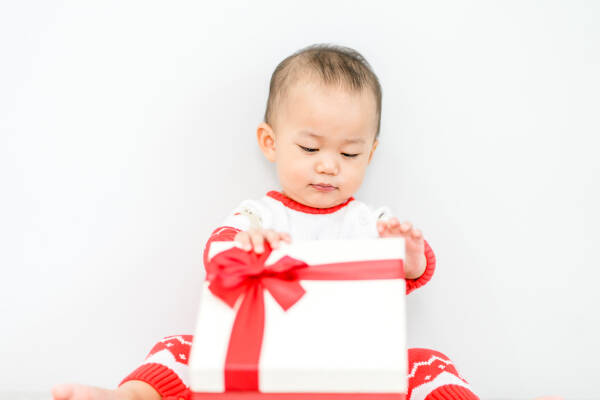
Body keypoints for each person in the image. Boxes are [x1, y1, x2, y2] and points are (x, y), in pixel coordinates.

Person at [52, 44, 561, 400]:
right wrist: (249, 247)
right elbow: (217, 255)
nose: (328, 164)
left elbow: (411, 272)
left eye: (350, 151)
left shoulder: (368, 221)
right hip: (261, 361)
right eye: (310, 147)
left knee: (429, 363)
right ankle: (129, 395)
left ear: (371, 154)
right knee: (178, 349)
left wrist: (406, 254)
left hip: (356, 361)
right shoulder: (262, 213)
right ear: (271, 143)